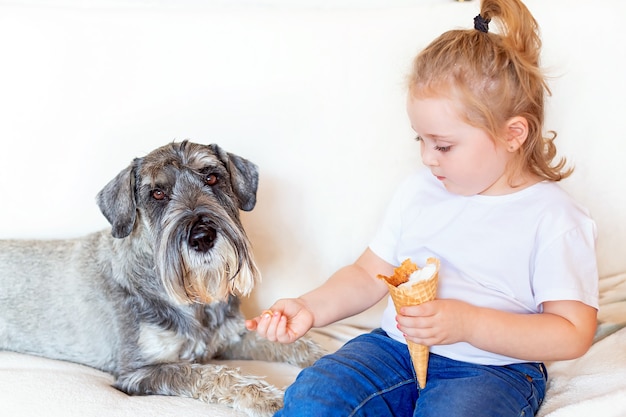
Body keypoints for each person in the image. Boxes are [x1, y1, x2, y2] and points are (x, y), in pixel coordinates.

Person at [245, 0, 599, 415]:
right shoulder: (419, 191)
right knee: (316, 394)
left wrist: (469, 324)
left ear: (513, 134)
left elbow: (572, 332)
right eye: (421, 140)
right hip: (393, 349)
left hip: (492, 369)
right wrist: (309, 307)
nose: (429, 158)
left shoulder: (554, 217)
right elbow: (367, 274)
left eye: (443, 145)